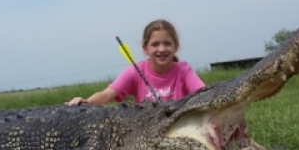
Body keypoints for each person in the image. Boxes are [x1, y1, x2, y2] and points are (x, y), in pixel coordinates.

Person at [67, 19, 205, 106]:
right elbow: (106, 94)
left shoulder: (184, 70)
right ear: (145, 48)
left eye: (167, 44)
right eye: (155, 44)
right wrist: (86, 102)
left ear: (176, 47)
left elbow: (205, 94)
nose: (161, 49)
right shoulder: (135, 71)